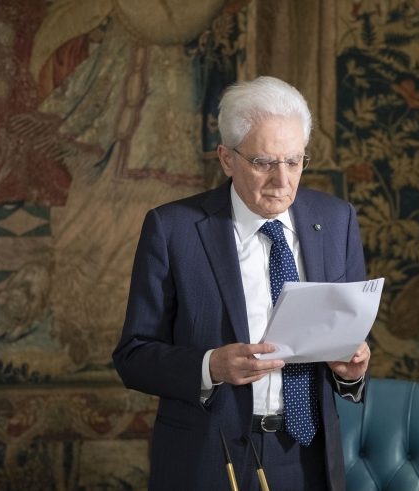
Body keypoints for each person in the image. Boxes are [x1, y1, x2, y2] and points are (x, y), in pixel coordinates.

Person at [112, 76, 370, 491]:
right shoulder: (173, 229)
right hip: (209, 455)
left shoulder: (337, 220)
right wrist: (210, 366)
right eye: (264, 163)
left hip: (308, 456)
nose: (282, 181)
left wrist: (351, 372)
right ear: (227, 159)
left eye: (294, 161)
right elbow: (133, 355)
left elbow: (350, 342)